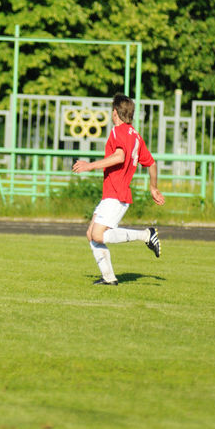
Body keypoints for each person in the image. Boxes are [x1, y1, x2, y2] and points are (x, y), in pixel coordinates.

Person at [72, 93, 165, 285]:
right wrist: (153, 187)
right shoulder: (136, 136)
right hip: (113, 194)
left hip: (116, 193)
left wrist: (89, 166)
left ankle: (146, 235)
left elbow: (119, 156)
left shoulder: (117, 131)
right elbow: (152, 163)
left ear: (115, 112)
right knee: (91, 234)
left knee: (97, 234)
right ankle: (109, 277)